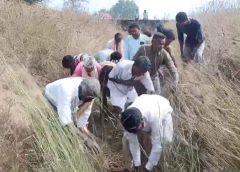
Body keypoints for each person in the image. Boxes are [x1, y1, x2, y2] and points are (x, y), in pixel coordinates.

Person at [44, 77, 101, 154]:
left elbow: (81, 124)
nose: (87, 101)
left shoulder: (91, 93)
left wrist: (91, 137)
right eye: (86, 99)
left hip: (69, 102)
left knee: (73, 126)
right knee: (58, 127)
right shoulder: (66, 90)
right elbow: (67, 123)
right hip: (51, 99)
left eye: (89, 99)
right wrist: (85, 140)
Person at [121, 94, 173, 172]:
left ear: (142, 120)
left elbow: (158, 146)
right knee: (126, 139)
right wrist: (137, 164)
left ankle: (160, 167)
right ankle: (133, 165)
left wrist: (147, 168)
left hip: (162, 110)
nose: (137, 132)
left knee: (165, 141)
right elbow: (133, 142)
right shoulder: (127, 119)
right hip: (145, 104)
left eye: (139, 129)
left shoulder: (154, 116)